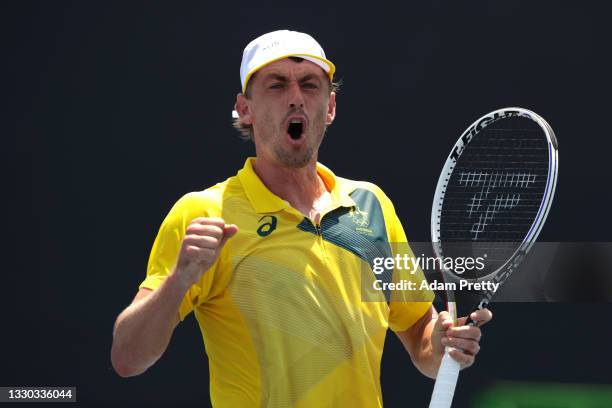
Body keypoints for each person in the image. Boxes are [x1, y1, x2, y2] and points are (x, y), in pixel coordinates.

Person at [110, 29, 492, 407]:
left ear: (330, 107)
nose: (296, 98)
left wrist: (441, 344)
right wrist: (179, 281)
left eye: (310, 85)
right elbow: (128, 358)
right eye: (276, 86)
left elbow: (420, 338)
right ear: (245, 109)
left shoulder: (372, 205)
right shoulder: (203, 213)